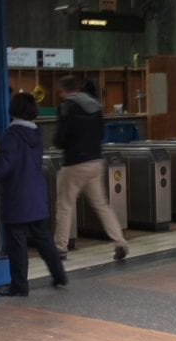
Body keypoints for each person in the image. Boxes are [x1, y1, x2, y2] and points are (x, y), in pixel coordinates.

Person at [0, 92, 68, 296]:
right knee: (44, 240)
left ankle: (19, 285)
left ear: (13, 110)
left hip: (17, 196)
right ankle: (59, 275)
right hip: (37, 194)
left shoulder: (11, 135)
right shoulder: (36, 134)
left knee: (17, 244)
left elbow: (4, 166)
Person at [52, 75, 128, 261]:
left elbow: (61, 138)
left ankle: (60, 248)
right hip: (95, 161)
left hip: (74, 164)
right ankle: (120, 242)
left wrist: (60, 143)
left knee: (65, 206)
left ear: (63, 90)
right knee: (102, 206)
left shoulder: (67, 107)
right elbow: (101, 133)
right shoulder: (95, 105)